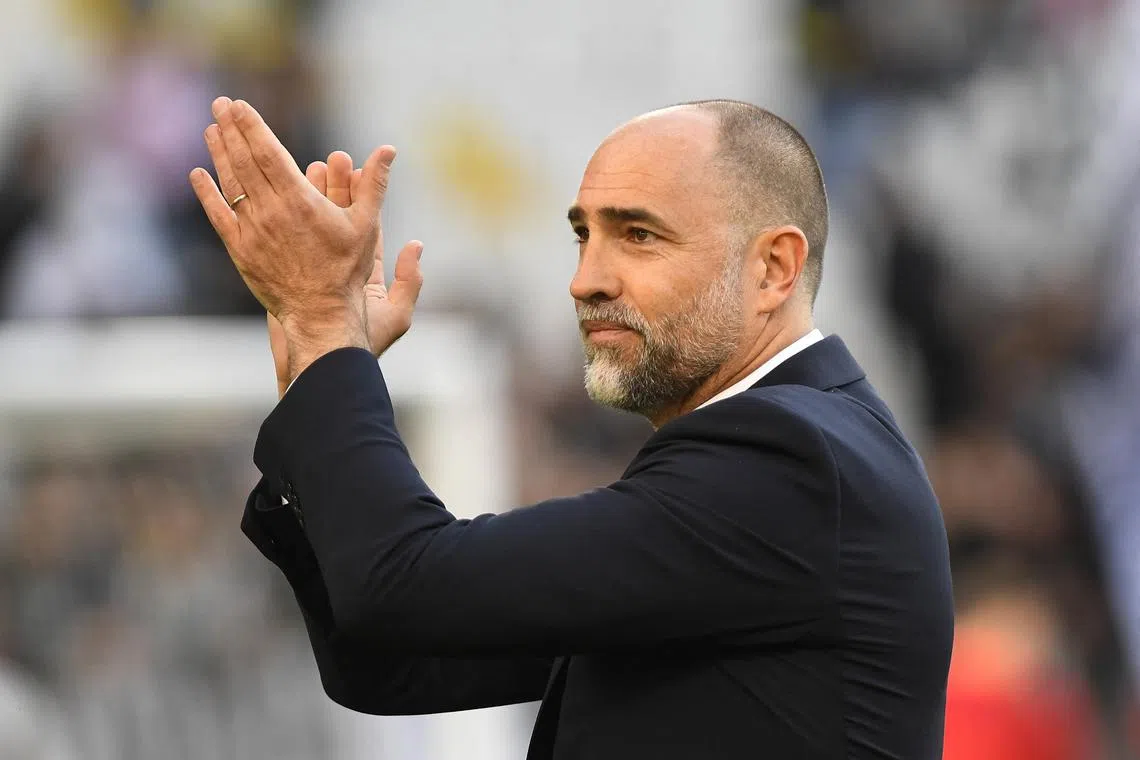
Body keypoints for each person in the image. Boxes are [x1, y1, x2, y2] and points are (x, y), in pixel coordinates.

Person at [189, 96, 954, 759]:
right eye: (583, 234)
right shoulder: (798, 458)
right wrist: (315, 354)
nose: (586, 279)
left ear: (773, 268)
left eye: (638, 236)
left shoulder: (791, 461)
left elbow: (405, 589)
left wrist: (327, 326)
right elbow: (395, 657)